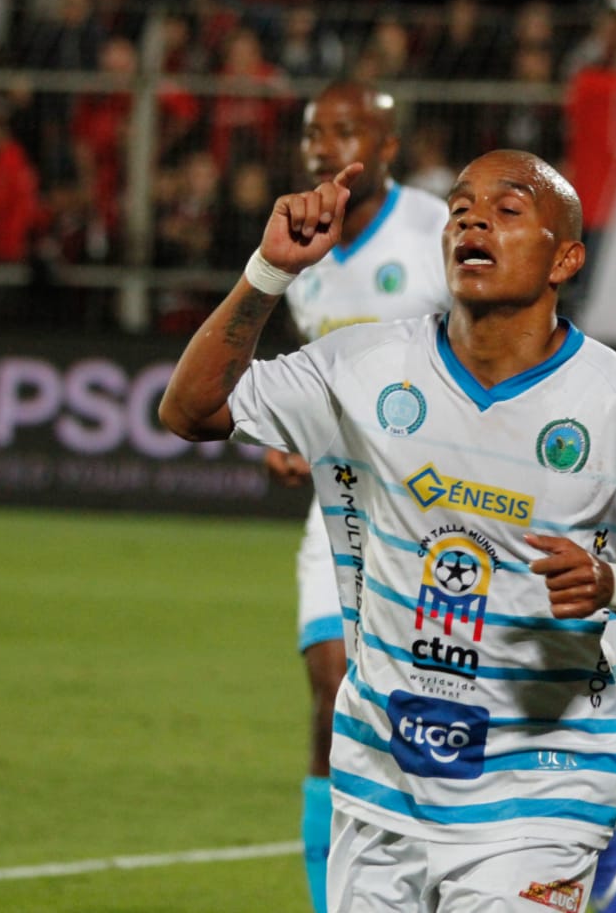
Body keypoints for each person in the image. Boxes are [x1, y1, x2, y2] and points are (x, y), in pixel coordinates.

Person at [159, 148, 616, 911]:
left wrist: (613, 583)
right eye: (459, 208)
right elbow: (189, 411)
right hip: (381, 779)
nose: (473, 219)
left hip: (543, 784)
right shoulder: (363, 367)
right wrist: (268, 270)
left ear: (566, 259)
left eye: (508, 208)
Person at [272, 80, 451, 913]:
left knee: (442, 697)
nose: (322, 147)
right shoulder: (297, 244)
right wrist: (288, 430)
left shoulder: (437, 231)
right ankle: (329, 896)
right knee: (331, 685)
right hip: (339, 501)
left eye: (344, 131)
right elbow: (312, 369)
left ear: (385, 145)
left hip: (443, 509)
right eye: (313, 133)